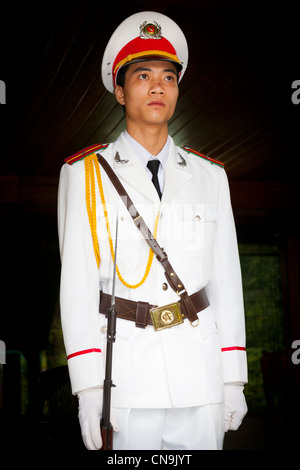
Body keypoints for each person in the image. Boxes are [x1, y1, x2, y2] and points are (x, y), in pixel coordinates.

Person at [58, 11, 248, 450]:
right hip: (124, 377)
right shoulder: (83, 174)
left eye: (168, 76)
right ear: (121, 93)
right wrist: (87, 389)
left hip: (200, 376)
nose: (158, 86)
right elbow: (76, 287)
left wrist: (232, 376)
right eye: (143, 75)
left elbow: (228, 283)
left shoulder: (209, 175)